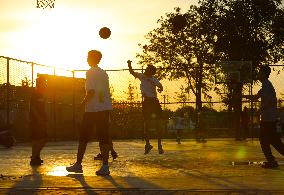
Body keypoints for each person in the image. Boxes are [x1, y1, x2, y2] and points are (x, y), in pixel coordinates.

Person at [66, 50, 113, 175]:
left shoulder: (90, 72)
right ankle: (105, 166)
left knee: (83, 137)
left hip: (93, 110)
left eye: (88, 57)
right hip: (104, 108)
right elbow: (102, 92)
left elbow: (91, 92)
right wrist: (103, 104)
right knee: (103, 138)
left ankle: (78, 165)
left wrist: (81, 105)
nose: (87, 59)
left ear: (93, 58)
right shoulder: (104, 73)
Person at [243, 65, 284, 169]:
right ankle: (271, 161)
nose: (258, 74)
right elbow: (256, 97)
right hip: (269, 119)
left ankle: (271, 161)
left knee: (264, 140)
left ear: (264, 74)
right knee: (274, 141)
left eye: (260, 72)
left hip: (268, 119)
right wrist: (242, 96)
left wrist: (260, 110)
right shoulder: (265, 86)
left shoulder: (267, 86)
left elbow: (269, 101)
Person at [127, 60, 164, 154]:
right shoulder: (141, 76)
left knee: (158, 124)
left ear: (151, 72)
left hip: (154, 102)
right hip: (147, 103)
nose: (146, 69)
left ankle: (160, 145)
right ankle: (148, 144)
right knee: (146, 124)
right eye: (146, 68)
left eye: (148, 69)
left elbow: (161, 86)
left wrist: (160, 89)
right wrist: (129, 65)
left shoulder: (154, 79)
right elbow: (131, 72)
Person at [29, 77, 48, 166]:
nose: (45, 84)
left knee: (42, 138)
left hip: (41, 118)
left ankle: (36, 156)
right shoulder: (35, 93)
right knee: (37, 139)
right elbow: (33, 107)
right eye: (44, 83)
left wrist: (45, 117)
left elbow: (42, 107)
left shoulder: (42, 93)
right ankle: (34, 157)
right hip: (35, 120)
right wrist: (38, 118)